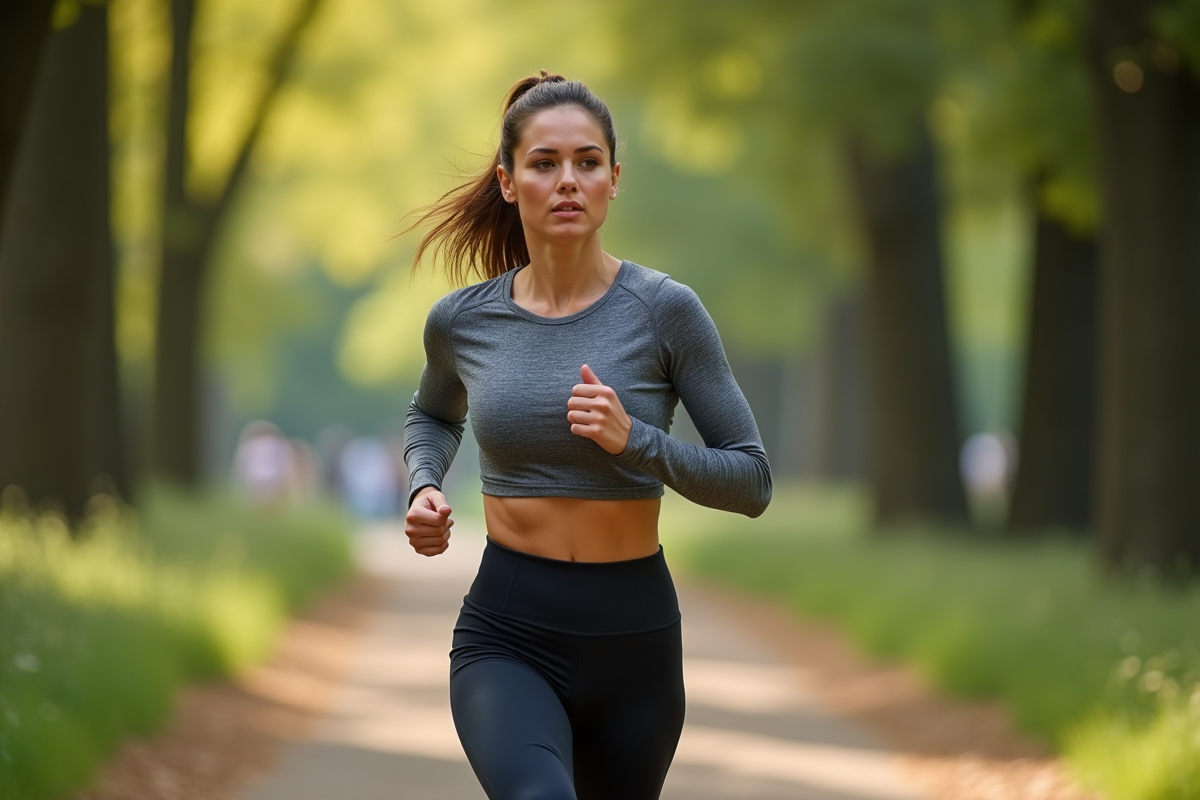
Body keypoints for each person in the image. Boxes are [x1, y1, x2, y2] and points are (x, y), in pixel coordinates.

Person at [402, 71, 772, 800]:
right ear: (509, 183)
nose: (567, 181)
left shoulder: (667, 311)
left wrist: (636, 440)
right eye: (544, 163)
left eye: (587, 162)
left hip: (633, 636)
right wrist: (423, 483)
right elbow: (433, 414)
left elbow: (752, 480)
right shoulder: (462, 321)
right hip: (508, 627)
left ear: (613, 180)